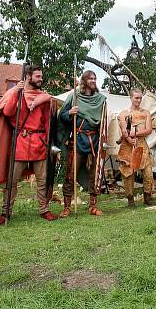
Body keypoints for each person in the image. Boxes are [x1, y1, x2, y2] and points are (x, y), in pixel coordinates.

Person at [0, 65, 58, 224]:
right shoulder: (15, 93)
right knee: (12, 180)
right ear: (28, 77)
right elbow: (8, 113)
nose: (40, 79)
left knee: (42, 180)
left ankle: (44, 209)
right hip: (20, 142)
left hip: (39, 142)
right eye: (37, 76)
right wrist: (16, 92)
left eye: (41, 76)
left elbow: (49, 121)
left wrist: (50, 143)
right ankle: (5, 212)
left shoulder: (45, 97)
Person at [56, 70, 107, 217]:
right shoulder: (74, 97)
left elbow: (104, 122)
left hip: (94, 140)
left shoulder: (100, 99)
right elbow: (62, 117)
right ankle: (66, 207)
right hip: (78, 139)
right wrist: (70, 113)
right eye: (90, 78)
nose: (93, 80)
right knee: (71, 173)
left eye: (95, 78)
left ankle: (92, 205)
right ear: (84, 81)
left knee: (94, 174)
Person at [118, 88, 155, 207]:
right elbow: (124, 130)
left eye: (140, 98)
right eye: (136, 98)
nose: (139, 100)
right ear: (131, 98)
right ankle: (130, 200)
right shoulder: (124, 113)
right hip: (128, 145)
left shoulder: (146, 113)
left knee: (148, 172)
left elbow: (148, 130)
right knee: (128, 173)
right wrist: (129, 138)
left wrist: (135, 134)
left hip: (142, 144)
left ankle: (147, 197)